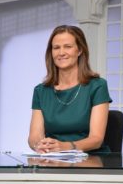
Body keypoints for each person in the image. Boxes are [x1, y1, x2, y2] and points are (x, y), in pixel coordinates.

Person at [28, 25, 112, 154]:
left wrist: (64, 146)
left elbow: (96, 139)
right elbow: (34, 137)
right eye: (56, 48)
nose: (61, 52)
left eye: (68, 46)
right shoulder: (41, 91)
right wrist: (40, 145)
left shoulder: (97, 86)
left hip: (90, 161)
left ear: (79, 51)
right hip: (54, 159)